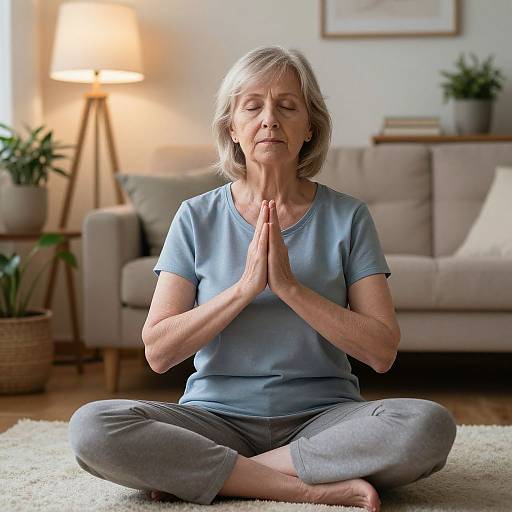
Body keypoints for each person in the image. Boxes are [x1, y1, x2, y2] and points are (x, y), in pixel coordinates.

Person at [68, 45, 457, 512]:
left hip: (324, 419)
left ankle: (224, 472)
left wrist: (291, 289)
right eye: (252, 106)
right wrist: (244, 289)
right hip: (213, 418)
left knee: (427, 425)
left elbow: (381, 351)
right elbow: (159, 350)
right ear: (231, 127)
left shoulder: (348, 217)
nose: (269, 119)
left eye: (287, 106)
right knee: (92, 427)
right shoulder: (195, 217)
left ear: (309, 127)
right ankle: (301, 484)